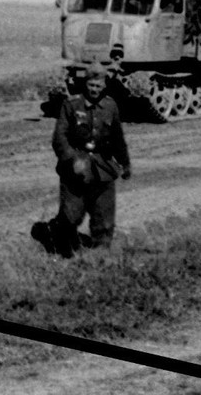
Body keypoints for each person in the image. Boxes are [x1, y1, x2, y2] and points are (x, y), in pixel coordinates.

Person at [32, 63, 131, 258]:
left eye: (98, 86)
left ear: (104, 86)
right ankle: (62, 245)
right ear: (85, 84)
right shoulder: (72, 105)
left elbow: (118, 139)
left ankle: (101, 253)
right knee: (71, 216)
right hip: (75, 168)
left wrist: (125, 163)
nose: (94, 90)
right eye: (91, 85)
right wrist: (72, 160)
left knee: (104, 217)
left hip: (102, 167)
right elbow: (59, 139)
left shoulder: (110, 106)